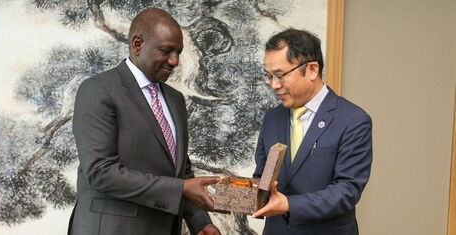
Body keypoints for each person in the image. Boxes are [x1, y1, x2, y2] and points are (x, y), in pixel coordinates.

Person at [69, 8, 221, 235]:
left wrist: (201, 222)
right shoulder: (97, 90)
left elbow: (180, 172)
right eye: (167, 51)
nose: (175, 61)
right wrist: (179, 189)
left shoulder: (175, 100)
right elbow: (100, 172)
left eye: (178, 52)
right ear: (137, 44)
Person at [251, 28, 372, 235]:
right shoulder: (272, 118)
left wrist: (289, 204)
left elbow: (347, 190)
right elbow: (263, 176)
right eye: (269, 76)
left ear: (312, 70)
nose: (274, 85)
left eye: (280, 75)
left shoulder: (353, 120)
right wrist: (235, 194)